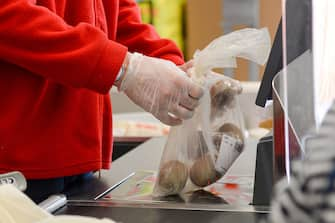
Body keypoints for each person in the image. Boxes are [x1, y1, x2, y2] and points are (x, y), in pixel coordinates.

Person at [0, 0, 203, 203]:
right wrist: (124, 68)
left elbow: (115, 13)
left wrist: (171, 65)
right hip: (16, 164)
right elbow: (8, 15)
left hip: (76, 157)